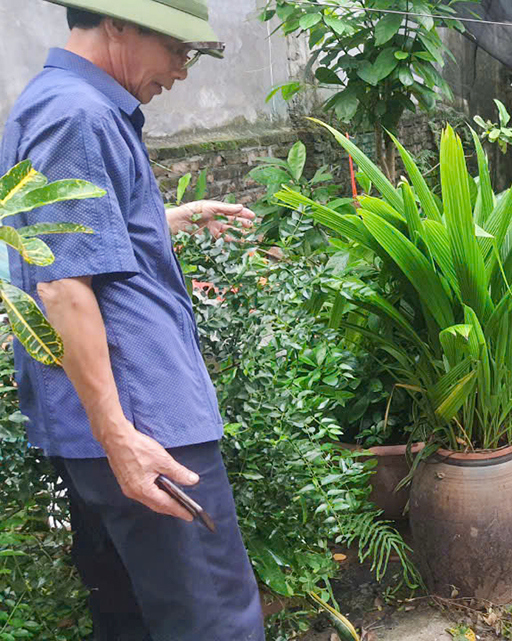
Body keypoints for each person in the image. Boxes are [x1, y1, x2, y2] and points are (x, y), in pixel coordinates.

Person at [1, 2, 264, 639]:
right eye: (178, 47)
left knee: (138, 616)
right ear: (117, 24)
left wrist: (161, 220)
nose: (181, 69)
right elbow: (63, 285)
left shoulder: (58, 102)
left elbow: (65, 241)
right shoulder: (78, 115)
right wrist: (120, 436)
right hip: (147, 426)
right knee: (214, 618)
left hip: (122, 422)